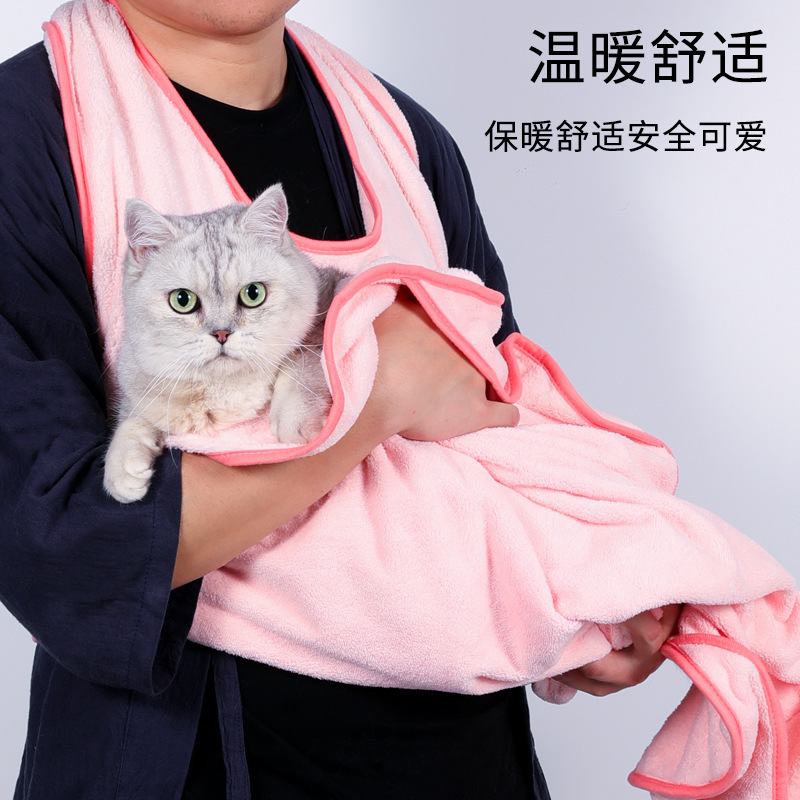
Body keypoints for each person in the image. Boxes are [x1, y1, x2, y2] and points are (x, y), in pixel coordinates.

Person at [0, 0, 680, 797]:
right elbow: (63, 548)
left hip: (467, 760)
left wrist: (591, 591)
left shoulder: (403, 137)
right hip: (194, 765)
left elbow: (502, 429)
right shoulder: (25, 136)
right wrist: (371, 405)